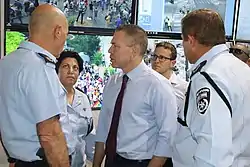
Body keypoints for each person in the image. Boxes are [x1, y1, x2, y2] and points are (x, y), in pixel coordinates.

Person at [172, 9, 250, 167]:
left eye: (183, 40)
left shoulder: (209, 77)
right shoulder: (240, 69)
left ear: (192, 40)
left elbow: (212, 151)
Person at [93, 24, 178, 167]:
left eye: (115, 46)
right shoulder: (113, 82)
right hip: (112, 160)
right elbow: (103, 128)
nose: (109, 50)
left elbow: (167, 136)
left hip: (140, 162)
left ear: (134, 51)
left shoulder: (158, 86)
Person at [0, 4, 70, 167]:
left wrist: (15, 157)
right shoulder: (39, 68)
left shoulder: (7, 62)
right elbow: (49, 134)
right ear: (58, 31)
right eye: (66, 34)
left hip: (18, 160)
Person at [151, 42, 188, 167]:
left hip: (172, 152)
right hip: (147, 149)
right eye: (154, 56)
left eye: (162, 58)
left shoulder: (183, 88)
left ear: (173, 62)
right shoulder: (145, 85)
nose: (156, 61)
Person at [55, 51, 94, 167]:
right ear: (57, 70)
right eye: (65, 66)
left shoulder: (84, 98)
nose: (71, 71)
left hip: (80, 163)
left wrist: (95, 160)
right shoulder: (49, 96)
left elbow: (90, 134)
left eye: (75, 68)